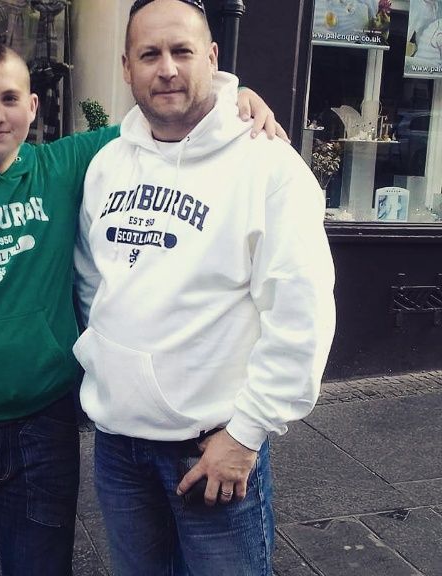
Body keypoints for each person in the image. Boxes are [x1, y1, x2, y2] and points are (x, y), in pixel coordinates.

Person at [0, 37, 282, 576]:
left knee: (40, 565)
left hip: (43, 423)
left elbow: (164, 116)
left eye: (10, 98)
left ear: (33, 106)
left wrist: (234, 96)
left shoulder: (62, 166)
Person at [73, 1, 336, 575]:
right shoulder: (106, 165)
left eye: (182, 51)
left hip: (211, 448)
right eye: (149, 54)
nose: (167, 68)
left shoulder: (269, 167)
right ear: (126, 67)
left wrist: (246, 436)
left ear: (212, 58)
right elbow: (94, 282)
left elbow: (302, 313)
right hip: (118, 447)